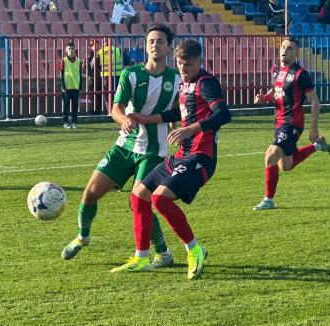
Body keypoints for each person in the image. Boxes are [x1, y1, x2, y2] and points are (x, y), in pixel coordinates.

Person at [61, 24, 181, 269]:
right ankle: (83, 237)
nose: (154, 45)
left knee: (139, 200)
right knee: (90, 193)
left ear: (169, 47)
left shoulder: (177, 79)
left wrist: (180, 129)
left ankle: (163, 252)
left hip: (153, 150)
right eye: (150, 41)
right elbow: (115, 108)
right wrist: (124, 119)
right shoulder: (131, 74)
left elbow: (181, 111)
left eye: (159, 41)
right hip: (125, 145)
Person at [110, 39, 231, 279]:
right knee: (139, 195)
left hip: (201, 157)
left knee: (160, 199)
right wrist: (148, 118)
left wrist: (191, 129)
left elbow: (223, 114)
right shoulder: (184, 85)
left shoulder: (206, 83)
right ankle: (142, 257)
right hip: (181, 155)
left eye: (189, 65)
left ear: (199, 61)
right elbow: (181, 112)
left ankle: (195, 250)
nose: (184, 69)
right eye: (180, 64)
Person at [253, 37, 330, 211]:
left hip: (293, 123)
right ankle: (318, 147)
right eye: (283, 47)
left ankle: (268, 200)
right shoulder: (275, 69)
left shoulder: (300, 74)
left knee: (271, 155)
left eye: (289, 49)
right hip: (279, 122)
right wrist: (264, 97)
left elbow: (315, 101)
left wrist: (314, 127)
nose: (284, 51)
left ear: (296, 53)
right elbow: (276, 89)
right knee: (286, 165)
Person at [96, 37, 130, 112]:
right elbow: (127, 61)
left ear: (103, 43)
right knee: (118, 95)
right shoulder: (118, 50)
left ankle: (110, 112)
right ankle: (119, 112)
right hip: (118, 76)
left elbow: (93, 65)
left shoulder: (100, 52)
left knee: (107, 96)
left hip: (105, 77)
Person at [61, 42, 82, 129]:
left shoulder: (78, 61)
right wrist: (63, 86)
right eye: (69, 49)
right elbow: (61, 73)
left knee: (75, 106)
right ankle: (65, 122)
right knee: (65, 106)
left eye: (72, 49)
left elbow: (80, 74)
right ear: (66, 50)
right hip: (67, 87)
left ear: (75, 50)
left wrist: (80, 86)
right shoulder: (64, 60)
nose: (71, 50)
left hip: (75, 87)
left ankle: (74, 122)